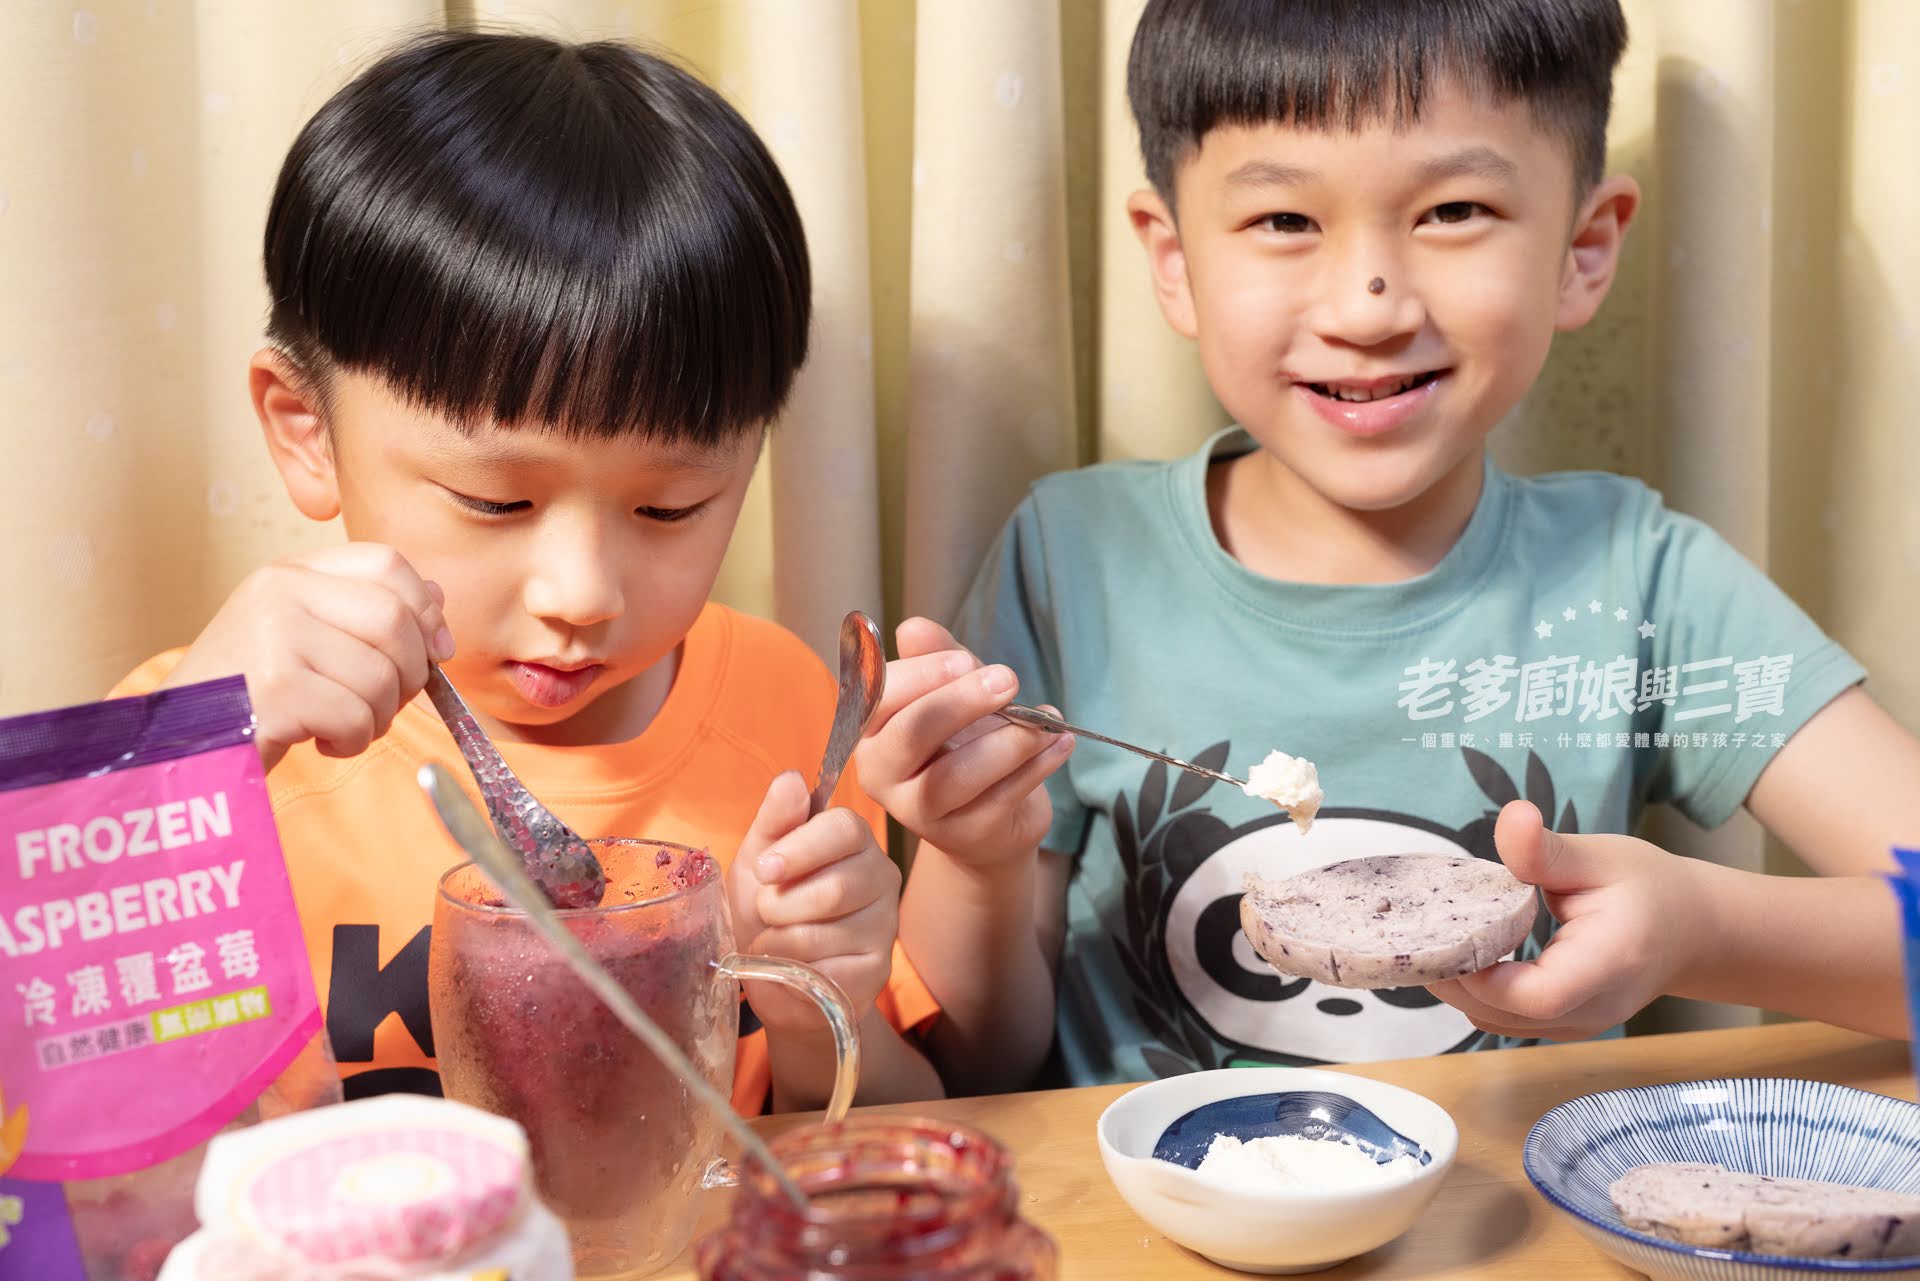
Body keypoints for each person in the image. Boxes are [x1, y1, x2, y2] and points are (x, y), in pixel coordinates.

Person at [858, 0, 1917, 1094]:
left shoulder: (1643, 584)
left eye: (1454, 209)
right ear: (1173, 262)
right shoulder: (1070, 559)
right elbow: (978, 1074)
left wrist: (1704, 928)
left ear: (1582, 249)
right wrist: (975, 863)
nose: (1368, 307)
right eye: (1284, 221)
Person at [113, 31, 942, 1112]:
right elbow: (73, 1151)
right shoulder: (190, 743)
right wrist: (176, 779)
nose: (582, 593)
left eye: (670, 507)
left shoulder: (789, 712)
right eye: (497, 501)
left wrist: (809, 1012)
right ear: (307, 429)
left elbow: (889, 1140)